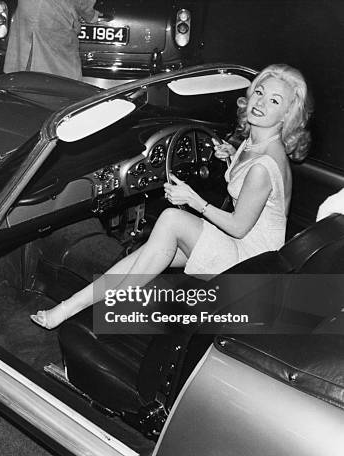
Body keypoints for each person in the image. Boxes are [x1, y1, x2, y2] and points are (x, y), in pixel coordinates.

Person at [31, 64, 313, 329]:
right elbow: (248, 188)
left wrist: (194, 200)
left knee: (171, 219)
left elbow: (239, 226)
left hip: (251, 267)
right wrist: (229, 157)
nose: (261, 103)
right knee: (148, 253)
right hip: (245, 251)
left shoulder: (264, 166)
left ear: (288, 116)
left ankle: (112, 310)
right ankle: (68, 309)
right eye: (260, 92)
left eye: (275, 101)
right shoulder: (256, 140)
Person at [3, 0, 99, 80]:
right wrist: (92, 16)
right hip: (50, 15)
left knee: (24, 55)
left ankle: (23, 87)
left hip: (28, 9)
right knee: (60, 69)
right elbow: (82, 3)